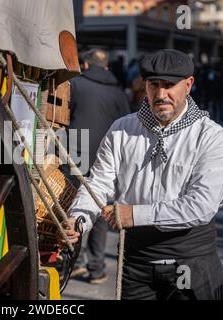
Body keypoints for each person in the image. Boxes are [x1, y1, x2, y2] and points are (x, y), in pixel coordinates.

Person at [64, 49, 223, 300]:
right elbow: (98, 182)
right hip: (136, 263)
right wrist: (79, 218)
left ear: (188, 85)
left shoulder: (209, 135)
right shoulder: (122, 129)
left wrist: (135, 214)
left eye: (169, 85)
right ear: (145, 85)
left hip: (189, 261)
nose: (161, 95)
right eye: (154, 85)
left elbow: (202, 205)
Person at [62, 48, 131, 284]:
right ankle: (97, 268)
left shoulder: (76, 84)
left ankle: (75, 261)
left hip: (76, 154)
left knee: (74, 205)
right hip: (108, 160)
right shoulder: (119, 92)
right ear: (108, 68)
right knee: (101, 213)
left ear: (86, 65)